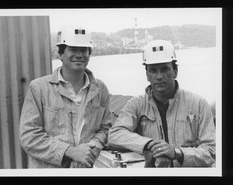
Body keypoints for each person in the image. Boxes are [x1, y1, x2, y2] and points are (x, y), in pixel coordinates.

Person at [108, 40, 215, 167]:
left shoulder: (198, 104)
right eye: (153, 70)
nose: (159, 76)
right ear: (147, 74)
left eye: (164, 69)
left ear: (175, 71)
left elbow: (211, 151)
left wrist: (176, 153)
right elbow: (115, 134)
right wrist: (150, 145)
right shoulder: (136, 104)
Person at [19, 24, 113, 168]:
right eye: (73, 49)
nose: (79, 54)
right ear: (60, 54)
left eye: (84, 50)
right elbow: (29, 136)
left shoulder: (100, 89)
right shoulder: (39, 88)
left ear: (89, 54)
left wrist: (90, 149)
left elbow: (105, 127)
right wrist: (70, 152)